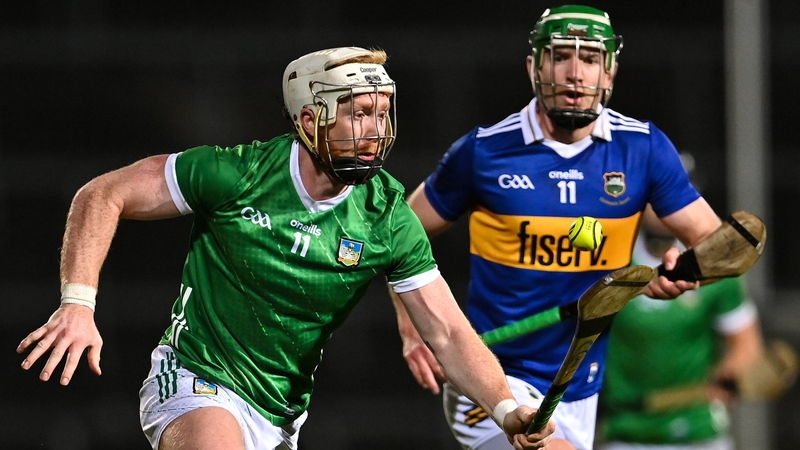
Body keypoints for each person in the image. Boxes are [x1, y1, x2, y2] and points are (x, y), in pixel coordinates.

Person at [16, 47, 554, 450]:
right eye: (357, 113)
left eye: (381, 112)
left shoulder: (388, 216)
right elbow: (102, 194)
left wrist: (506, 409)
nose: (374, 130)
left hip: (280, 414)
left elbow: (448, 332)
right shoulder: (238, 173)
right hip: (197, 378)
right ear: (308, 119)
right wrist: (77, 304)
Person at [390, 5, 723, 450]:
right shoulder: (484, 152)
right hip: (493, 378)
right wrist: (410, 322)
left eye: (589, 59)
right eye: (560, 56)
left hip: (580, 384)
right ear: (534, 65)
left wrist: (682, 273)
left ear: (609, 72)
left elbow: (717, 245)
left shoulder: (642, 149)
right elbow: (397, 233)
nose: (574, 73)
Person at [598, 203, 764, 450]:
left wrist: (729, 377)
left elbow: (746, 347)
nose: (662, 205)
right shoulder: (608, 260)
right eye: (655, 193)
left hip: (698, 430)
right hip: (626, 428)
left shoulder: (717, 269)